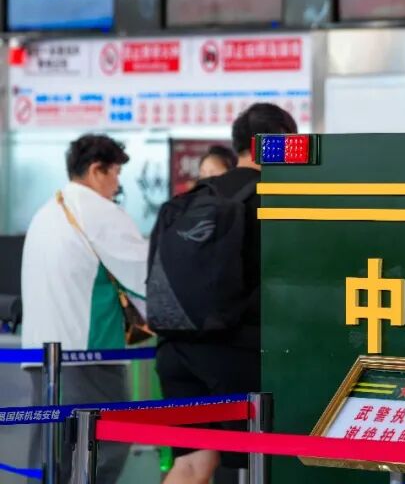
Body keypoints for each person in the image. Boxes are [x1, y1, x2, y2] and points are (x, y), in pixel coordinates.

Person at [156, 103, 297, 484]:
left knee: (192, 464)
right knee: (267, 463)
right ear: (279, 143)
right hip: (237, 353)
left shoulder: (190, 200)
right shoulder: (274, 201)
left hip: (176, 349)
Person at [21, 134, 147, 484]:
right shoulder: (100, 211)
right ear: (96, 171)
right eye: (115, 173)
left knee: (51, 455)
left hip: (41, 357)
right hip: (90, 354)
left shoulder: (46, 212)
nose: (117, 184)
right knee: (103, 447)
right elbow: (147, 276)